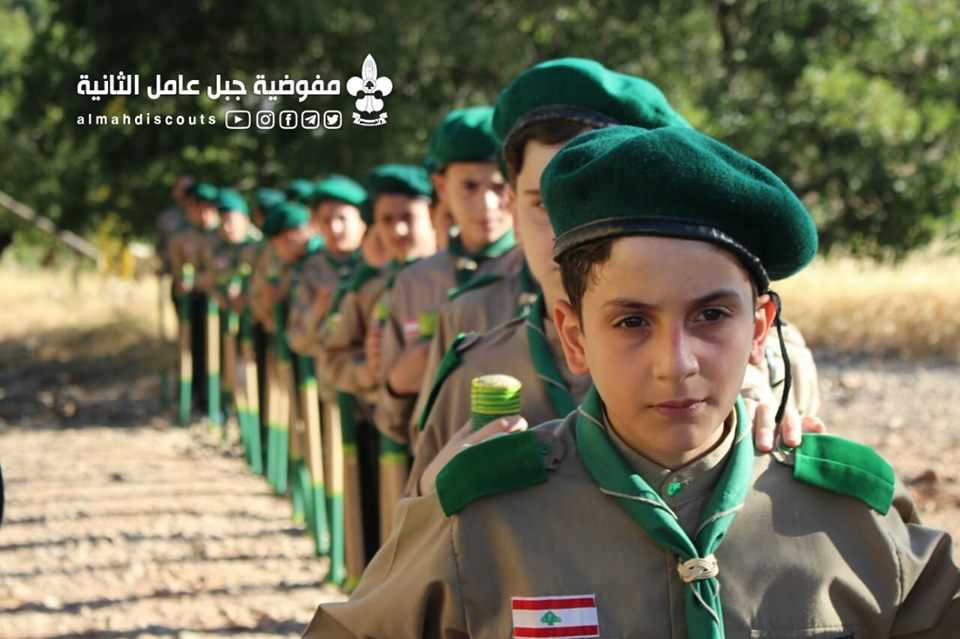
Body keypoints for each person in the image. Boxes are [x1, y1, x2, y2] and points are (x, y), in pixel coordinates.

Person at [302, 125, 960, 638]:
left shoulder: (851, 517)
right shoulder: (484, 521)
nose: (676, 362)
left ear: (760, 328)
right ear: (574, 336)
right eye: (632, 321)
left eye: (711, 315)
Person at [409, 58, 821, 494]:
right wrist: (436, 500)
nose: (566, 236)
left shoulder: (773, 365)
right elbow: (413, 516)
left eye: (600, 211)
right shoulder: (476, 368)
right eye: (545, 204)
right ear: (512, 209)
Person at [373, 107, 523, 447]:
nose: (487, 203)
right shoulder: (416, 282)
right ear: (441, 186)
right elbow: (387, 413)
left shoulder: (533, 273)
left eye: (499, 186)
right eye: (469, 186)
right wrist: (399, 383)